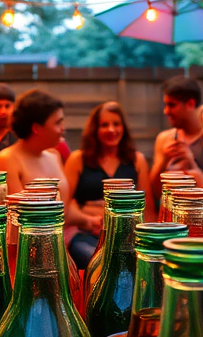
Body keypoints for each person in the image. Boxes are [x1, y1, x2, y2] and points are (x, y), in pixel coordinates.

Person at [64, 102, 152, 266]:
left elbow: (148, 210)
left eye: (116, 124)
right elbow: (65, 205)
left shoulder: (137, 160)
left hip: (128, 236)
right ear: (94, 130)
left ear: (123, 127)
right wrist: (87, 218)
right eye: (104, 125)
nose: (111, 130)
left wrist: (89, 206)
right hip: (87, 234)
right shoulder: (77, 159)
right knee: (101, 262)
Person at [149, 76, 203, 205]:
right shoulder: (164, 139)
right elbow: (155, 193)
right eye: (165, 105)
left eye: (171, 105)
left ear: (190, 104)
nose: (166, 111)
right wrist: (163, 160)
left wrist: (192, 163)